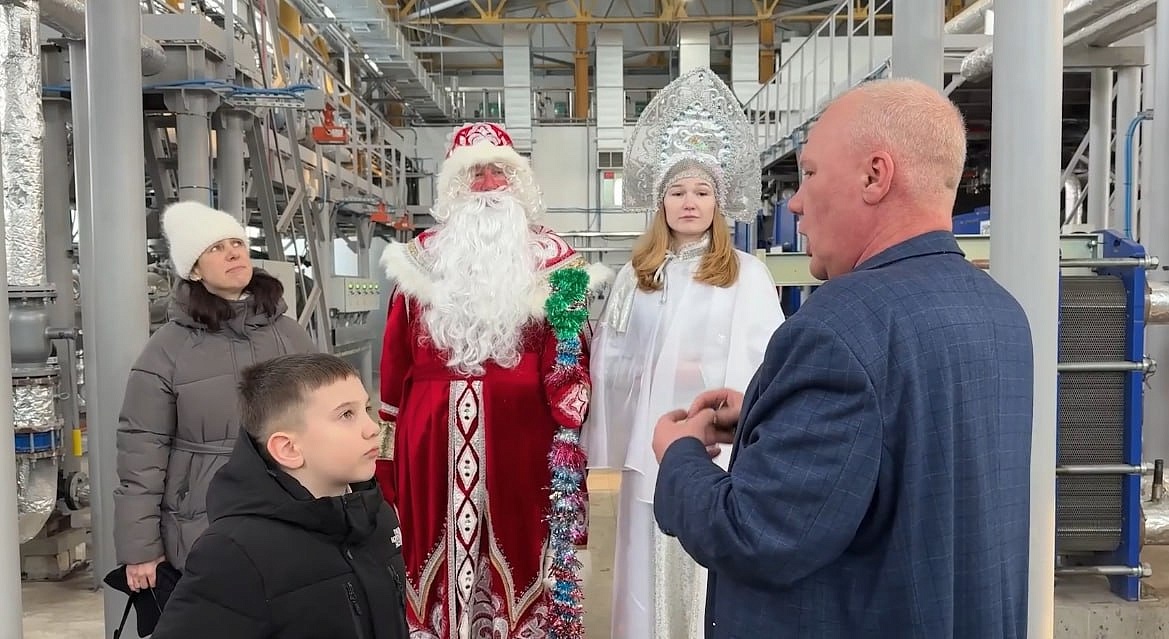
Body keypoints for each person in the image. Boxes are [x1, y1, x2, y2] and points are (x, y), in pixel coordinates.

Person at [650, 77, 1034, 638]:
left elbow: (753, 534)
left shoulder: (838, 327)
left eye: (808, 174)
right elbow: (904, 453)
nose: (795, 202)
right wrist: (762, 415)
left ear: (874, 177)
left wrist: (679, 454)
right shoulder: (1001, 313)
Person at [375, 122, 611, 638]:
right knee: (430, 553)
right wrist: (385, 454)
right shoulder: (418, 261)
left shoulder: (558, 262)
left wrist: (570, 420)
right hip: (429, 440)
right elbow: (393, 368)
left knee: (523, 548)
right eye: (474, 173)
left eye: (498, 172)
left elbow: (570, 354)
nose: (486, 184)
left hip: (523, 438)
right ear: (454, 188)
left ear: (518, 183)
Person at [582, 67, 785, 639]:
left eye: (701, 191)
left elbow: (766, 358)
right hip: (651, 447)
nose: (689, 202)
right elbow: (612, 359)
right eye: (677, 192)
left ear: (718, 201)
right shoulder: (637, 275)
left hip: (716, 451)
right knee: (646, 564)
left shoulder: (746, 273)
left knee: (706, 566)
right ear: (660, 201)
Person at [114, 201, 316, 593]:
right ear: (194, 270)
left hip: (288, 511)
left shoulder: (290, 335)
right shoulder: (167, 350)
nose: (233, 253)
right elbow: (141, 451)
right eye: (216, 248)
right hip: (202, 523)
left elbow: (322, 419)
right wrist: (141, 549)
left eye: (236, 243)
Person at [151, 353, 408, 638]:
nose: (372, 428)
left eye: (367, 408)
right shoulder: (234, 553)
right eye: (346, 414)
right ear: (288, 449)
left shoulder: (376, 516)